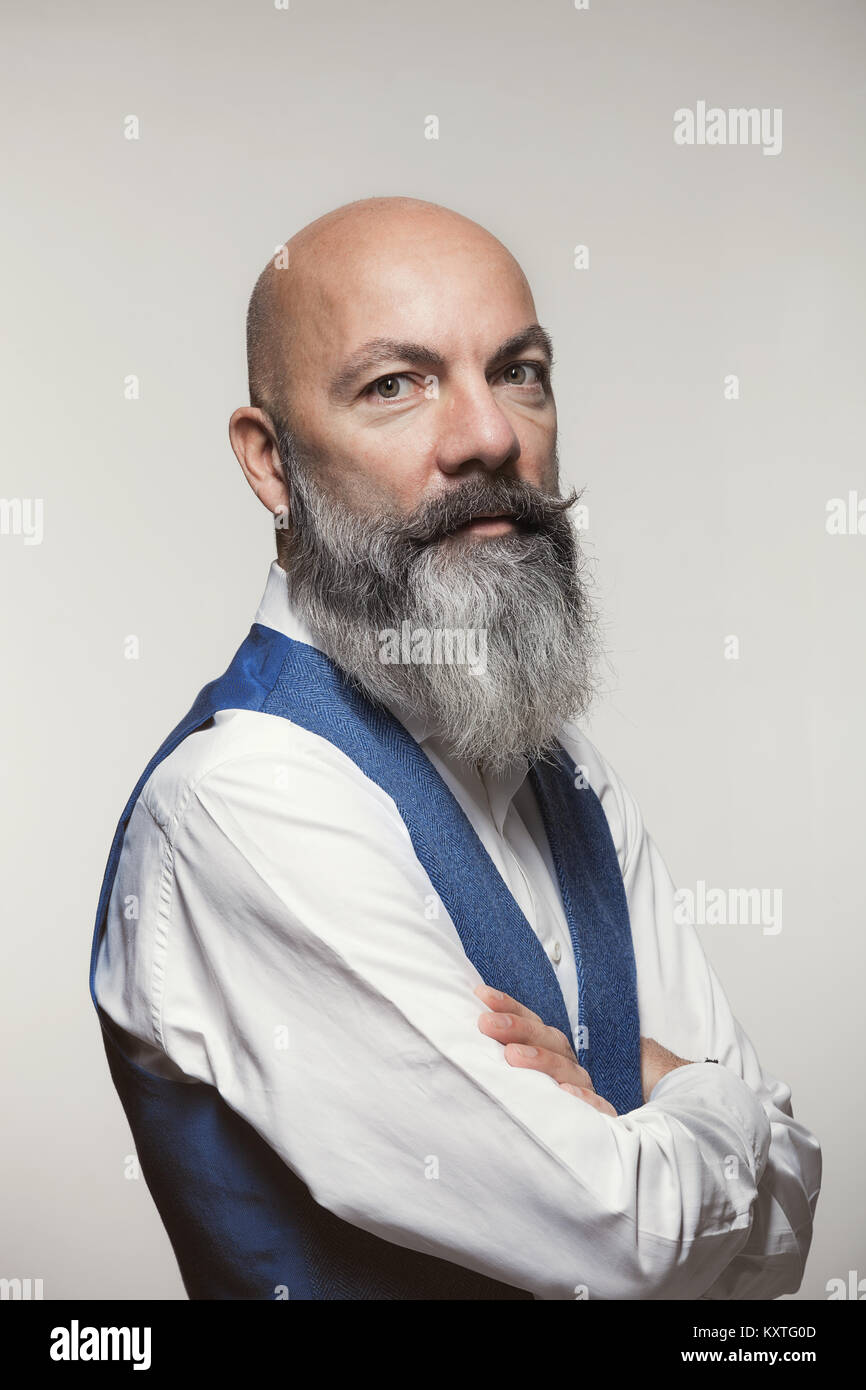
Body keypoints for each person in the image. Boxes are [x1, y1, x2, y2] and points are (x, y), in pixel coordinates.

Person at [91, 196, 820, 1300]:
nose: (488, 435)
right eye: (396, 383)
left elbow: (780, 1237)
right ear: (270, 463)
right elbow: (619, 1246)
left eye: (517, 371)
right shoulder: (242, 805)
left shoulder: (558, 769)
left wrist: (654, 1130)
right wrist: (694, 1094)